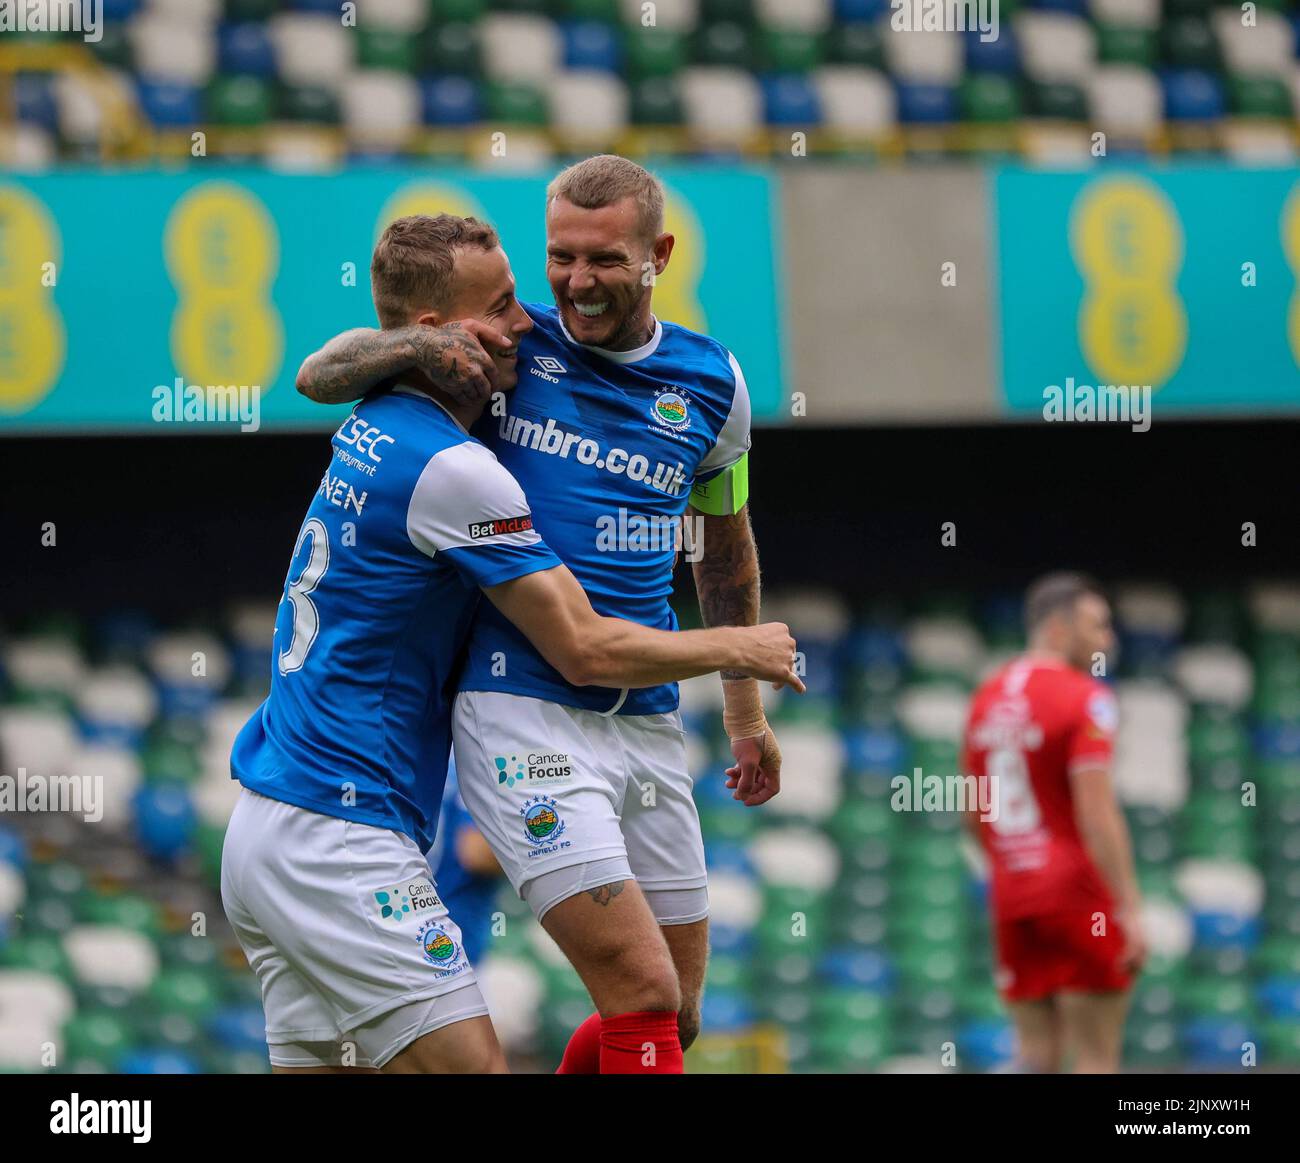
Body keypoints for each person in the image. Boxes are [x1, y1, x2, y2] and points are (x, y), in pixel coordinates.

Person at [222, 212, 803, 1076]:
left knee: (659, 1011)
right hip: (340, 830)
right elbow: (582, 647)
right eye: (504, 304)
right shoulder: (456, 470)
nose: (531, 318)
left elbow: (334, 365)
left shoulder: (383, 421)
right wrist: (738, 649)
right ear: (436, 333)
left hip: (273, 825)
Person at [961, 572, 1146, 1073]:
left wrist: (1012, 867)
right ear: (1060, 629)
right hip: (1078, 893)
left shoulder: (986, 698)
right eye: (1098, 627)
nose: (1107, 640)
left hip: (1014, 894)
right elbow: (1096, 811)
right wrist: (1127, 906)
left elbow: (973, 811)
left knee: (1035, 1056)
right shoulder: (1087, 698)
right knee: (1095, 1058)